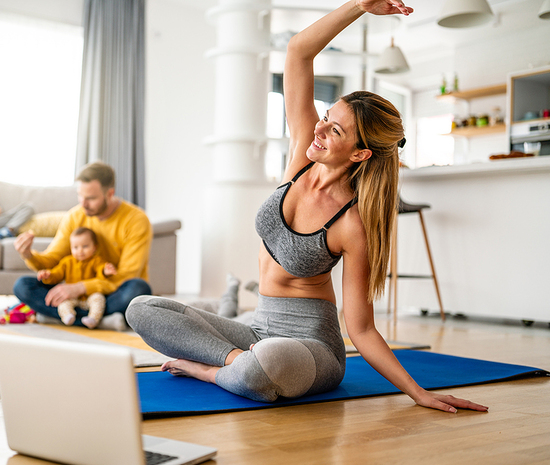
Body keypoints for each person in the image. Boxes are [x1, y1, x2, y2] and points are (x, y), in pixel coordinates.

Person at [126, 0, 488, 413]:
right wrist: (359, 6)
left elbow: (363, 329)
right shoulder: (301, 157)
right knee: (143, 308)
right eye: (326, 116)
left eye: (334, 130)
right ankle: (235, 366)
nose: (319, 127)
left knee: (269, 363)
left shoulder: (350, 223)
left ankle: (207, 370)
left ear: (359, 155)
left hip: (310, 349)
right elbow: (298, 51)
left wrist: (419, 393)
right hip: (256, 329)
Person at [13, 162, 152, 331]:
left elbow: (126, 275)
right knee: (23, 286)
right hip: (76, 296)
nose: (83, 204)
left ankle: (61, 316)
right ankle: (102, 320)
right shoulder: (75, 216)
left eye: (91, 198)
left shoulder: (136, 220)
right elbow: (52, 260)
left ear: (110, 193)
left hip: (110, 293)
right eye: (80, 196)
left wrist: (80, 287)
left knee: (138, 288)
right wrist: (28, 254)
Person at [36, 227, 117, 328]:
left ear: (94, 247)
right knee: (62, 303)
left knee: (99, 299)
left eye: (85, 246)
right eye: (76, 247)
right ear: (70, 248)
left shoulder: (96, 260)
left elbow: (101, 272)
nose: (80, 251)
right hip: (72, 297)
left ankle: (93, 319)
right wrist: (48, 275)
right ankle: (68, 316)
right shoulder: (67, 262)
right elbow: (57, 274)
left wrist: (105, 271)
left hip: (90, 297)